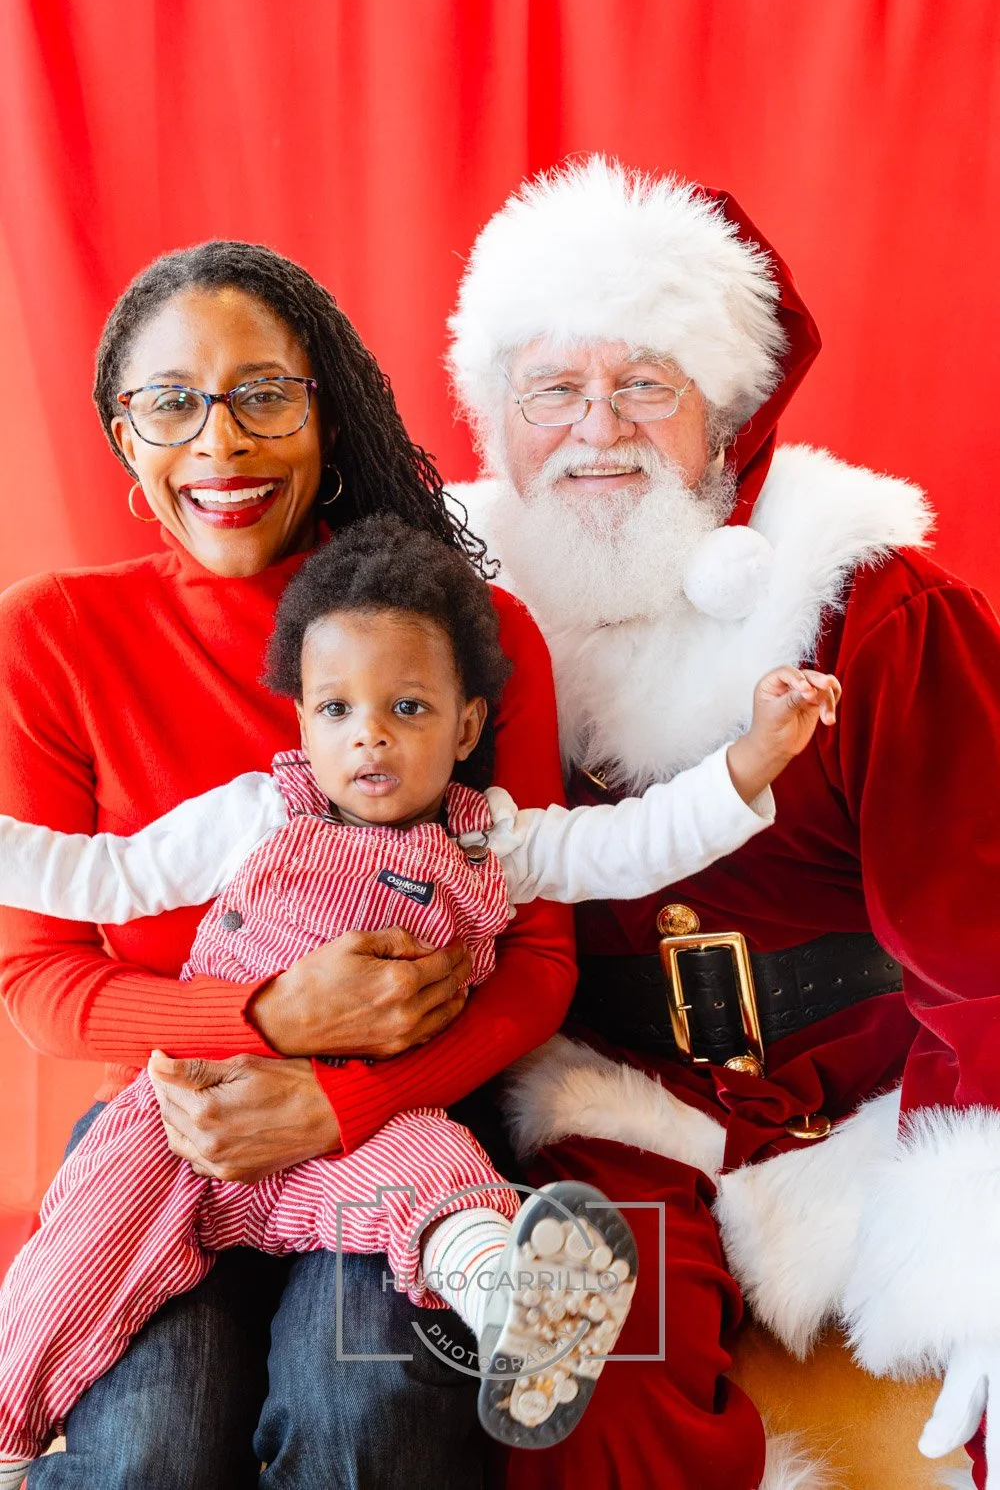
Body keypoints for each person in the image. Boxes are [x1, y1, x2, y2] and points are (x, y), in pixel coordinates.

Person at [0, 511, 841, 1486]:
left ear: (467, 724)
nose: (369, 738)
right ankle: (11, 1431)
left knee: (440, 1175)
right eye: (337, 710)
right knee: (83, 1250)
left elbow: (640, 840)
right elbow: (104, 877)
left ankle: (520, 1311)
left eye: (406, 708)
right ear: (303, 718)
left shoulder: (497, 841)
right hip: (194, 1112)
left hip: (357, 1127)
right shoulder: (256, 812)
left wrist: (753, 758)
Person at [445, 156, 1000, 1489]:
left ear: (728, 411)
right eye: (554, 389)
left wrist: (979, 1231)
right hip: (608, 1113)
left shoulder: (872, 608)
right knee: (575, 1393)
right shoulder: (437, 628)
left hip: (883, 1105)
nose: (597, 429)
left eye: (645, 383)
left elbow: (987, 959)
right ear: (499, 416)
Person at [0, 239, 579, 1490]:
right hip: (176, 1128)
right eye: (173, 401)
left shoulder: (461, 636)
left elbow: (537, 959)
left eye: (264, 393)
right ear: (121, 433)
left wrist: (341, 1098)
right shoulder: (52, 635)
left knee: (361, 1420)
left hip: (409, 1122)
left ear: (325, 405)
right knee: (150, 1445)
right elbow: (38, 977)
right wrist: (258, 1017)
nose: (222, 441)